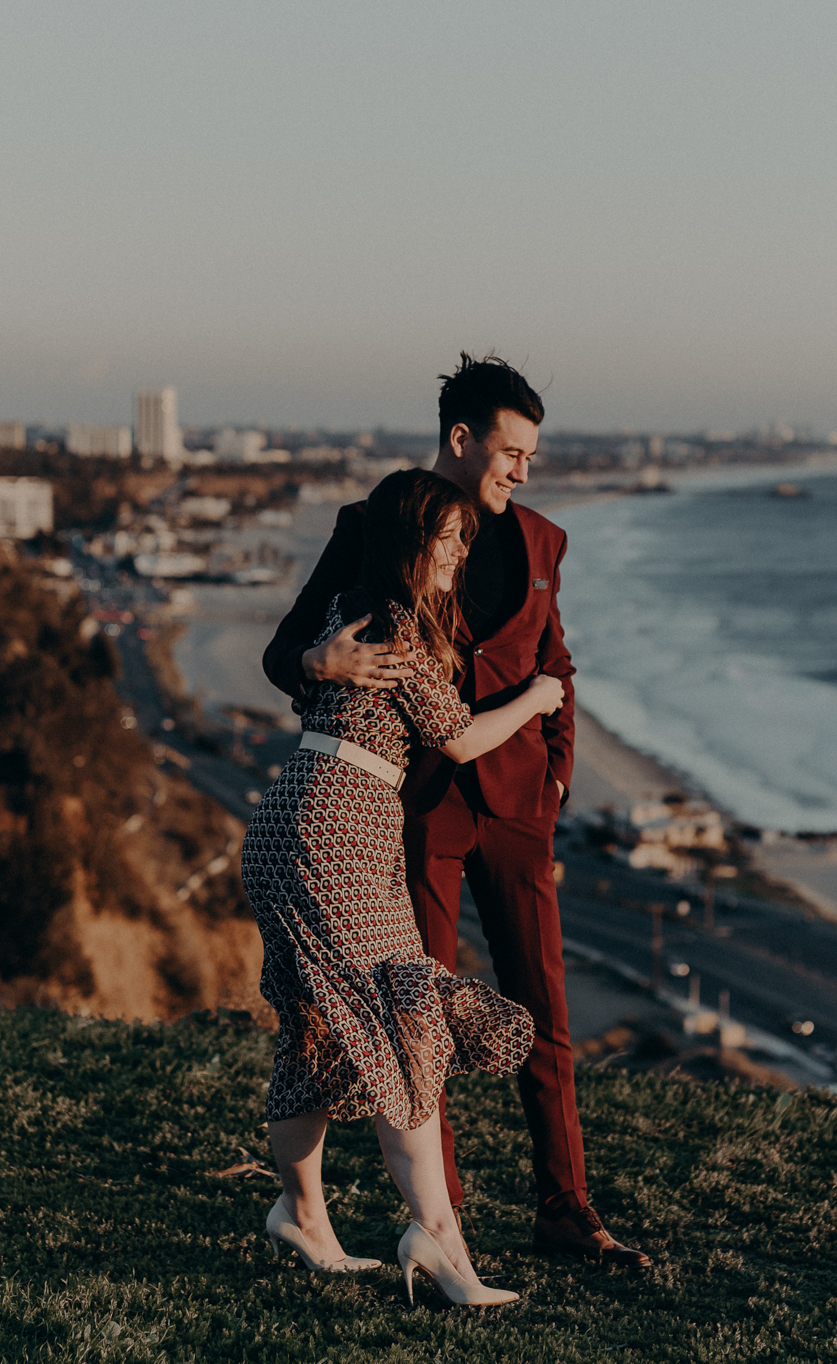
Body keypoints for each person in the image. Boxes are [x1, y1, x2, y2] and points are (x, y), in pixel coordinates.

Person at [262, 354, 649, 1268]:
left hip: (517, 808)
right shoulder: (373, 525)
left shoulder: (545, 540)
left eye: (532, 455)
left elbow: (559, 665)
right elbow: (286, 649)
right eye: (511, 452)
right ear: (461, 438)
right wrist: (322, 667)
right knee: (420, 1020)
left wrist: (554, 784)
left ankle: (567, 1210)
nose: (524, 470)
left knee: (543, 1009)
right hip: (414, 814)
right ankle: (445, 1228)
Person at [244, 468, 566, 1307]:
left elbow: (302, 669)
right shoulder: (395, 629)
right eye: (450, 538)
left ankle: (302, 1215)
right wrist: (537, 698)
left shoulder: (357, 609)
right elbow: (458, 742)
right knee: (402, 1020)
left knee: (314, 1031)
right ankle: (438, 1238)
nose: (461, 553)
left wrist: (317, 660)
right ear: (413, 540)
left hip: (314, 817)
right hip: (335, 831)